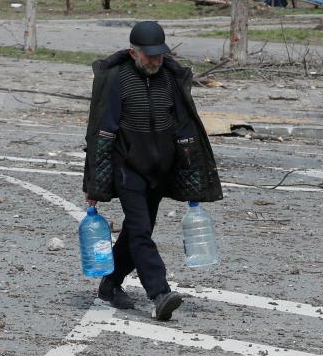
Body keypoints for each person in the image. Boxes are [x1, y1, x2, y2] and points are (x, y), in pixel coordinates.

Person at [82, 20, 221, 322]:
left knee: (135, 232)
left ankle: (110, 284)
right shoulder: (116, 80)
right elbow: (101, 134)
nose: (156, 60)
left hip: (160, 172)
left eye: (160, 54)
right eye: (150, 56)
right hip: (128, 171)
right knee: (141, 232)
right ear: (134, 52)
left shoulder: (170, 79)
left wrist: (191, 177)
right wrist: (93, 183)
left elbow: (187, 131)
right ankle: (159, 293)